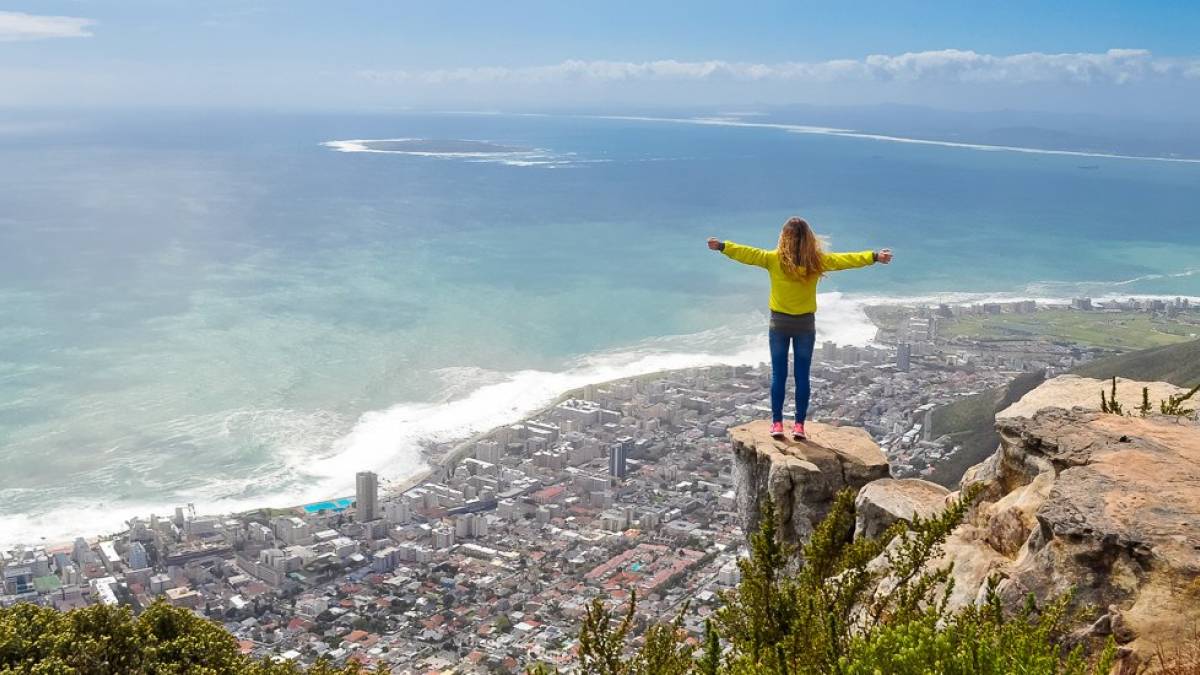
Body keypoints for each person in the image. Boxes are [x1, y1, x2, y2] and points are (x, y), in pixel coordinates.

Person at [708, 217, 892, 440]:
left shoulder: (773, 259)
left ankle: (776, 423)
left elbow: (747, 253)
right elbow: (845, 260)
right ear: (809, 239)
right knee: (802, 376)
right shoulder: (815, 262)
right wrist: (874, 256)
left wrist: (722, 247)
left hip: (779, 324)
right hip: (805, 325)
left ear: (783, 238)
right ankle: (798, 426)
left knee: (779, 374)